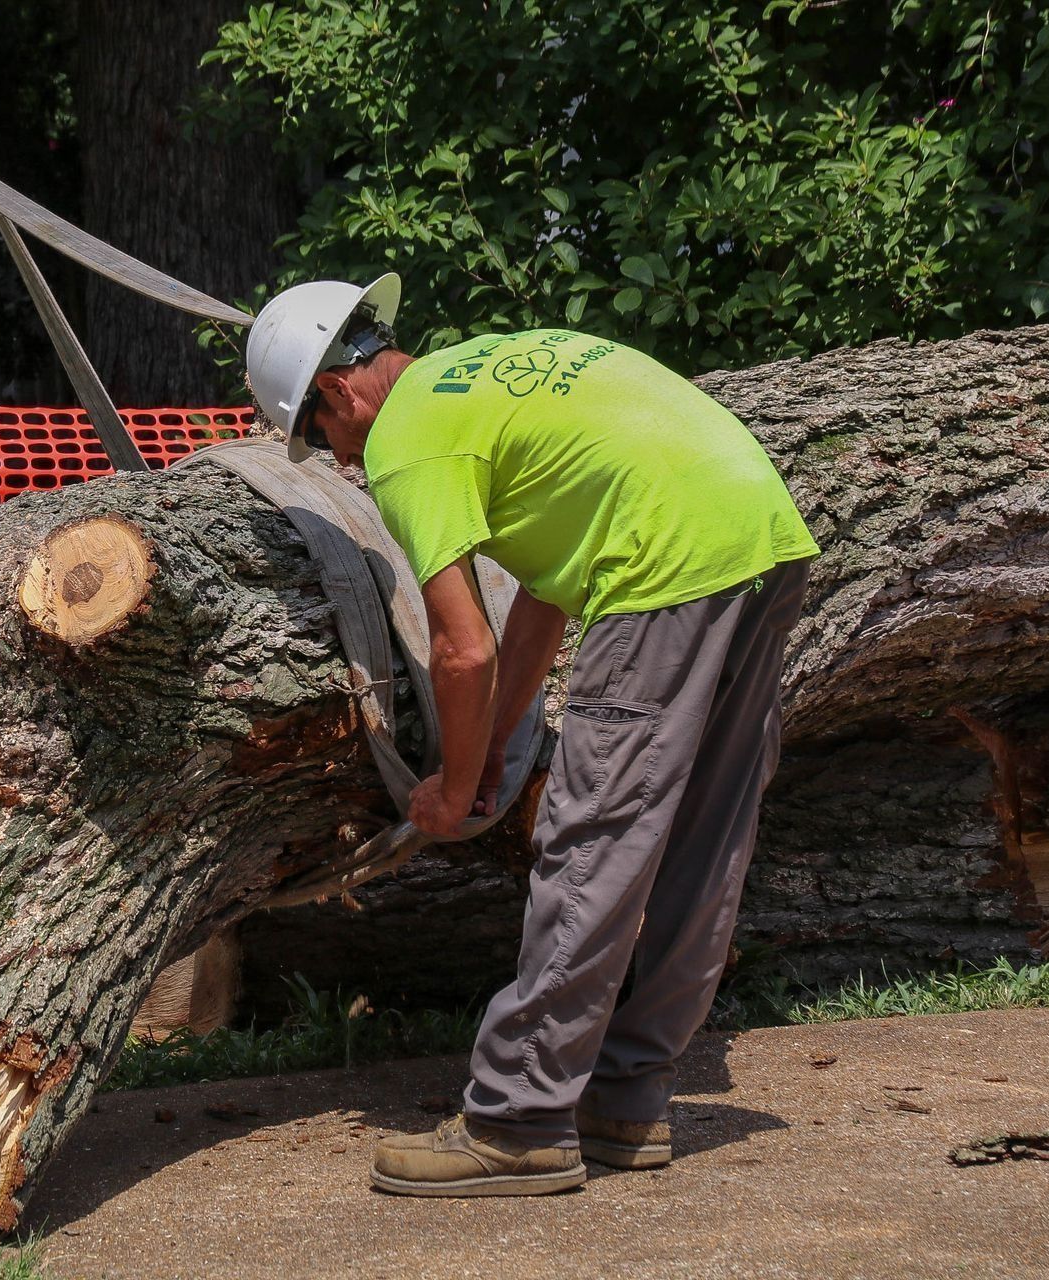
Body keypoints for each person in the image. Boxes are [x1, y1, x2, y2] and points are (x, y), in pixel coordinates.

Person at [244, 275, 819, 1198]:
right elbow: (547, 594)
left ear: (335, 395)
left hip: (667, 562)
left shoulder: (404, 446)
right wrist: (502, 747)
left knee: (592, 839)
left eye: (320, 439)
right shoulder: (483, 370)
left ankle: (518, 1120)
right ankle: (627, 1099)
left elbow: (462, 653)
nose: (339, 462)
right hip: (759, 529)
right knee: (706, 836)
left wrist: (453, 782)